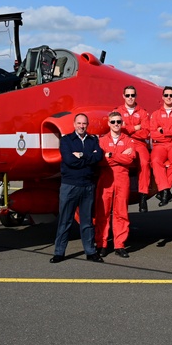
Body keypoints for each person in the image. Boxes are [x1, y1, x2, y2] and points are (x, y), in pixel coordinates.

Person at [51, 113, 104, 263]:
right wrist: (88, 157)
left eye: (84, 124)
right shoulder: (66, 140)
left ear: (87, 125)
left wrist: (81, 155)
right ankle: (59, 253)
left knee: (87, 222)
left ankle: (90, 251)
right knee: (65, 220)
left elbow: (98, 157)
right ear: (74, 124)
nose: (82, 126)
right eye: (79, 123)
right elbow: (69, 160)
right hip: (70, 186)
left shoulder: (93, 140)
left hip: (87, 186)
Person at [95, 111, 136, 259]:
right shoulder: (101, 141)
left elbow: (130, 160)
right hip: (106, 179)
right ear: (108, 123)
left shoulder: (129, 140)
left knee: (121, 213)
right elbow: (100, 161)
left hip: (122, 179)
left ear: (122, 123)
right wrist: (120, 156)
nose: (116, 124)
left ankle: (120, 245)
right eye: (113, 122)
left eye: (118, 122)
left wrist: (110, 155)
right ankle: (101, 244)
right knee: (102, 212)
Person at [116, 85, 152, 212]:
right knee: (117, 162)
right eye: (127, 95)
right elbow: (117, 129)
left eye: (132, 95)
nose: (130, 98)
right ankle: (120, 194)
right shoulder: (118, 111)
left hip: (139, 144)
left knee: (144, 162)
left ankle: (143, 196)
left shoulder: (143, 112)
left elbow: (145, 132)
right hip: (123, 143)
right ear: (123, 96)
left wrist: (127, 128)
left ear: (136, 96)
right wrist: (136, 127)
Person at [150, 86, 172, 206]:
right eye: (166, 95)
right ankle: (165, 191)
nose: (168, 97)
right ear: (162, 97)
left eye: (171, 95)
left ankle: (163, 190)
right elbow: (154, 133)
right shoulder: (155, 114)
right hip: (159, 145)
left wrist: (163, 131)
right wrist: (170, 133)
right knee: (155, 161)